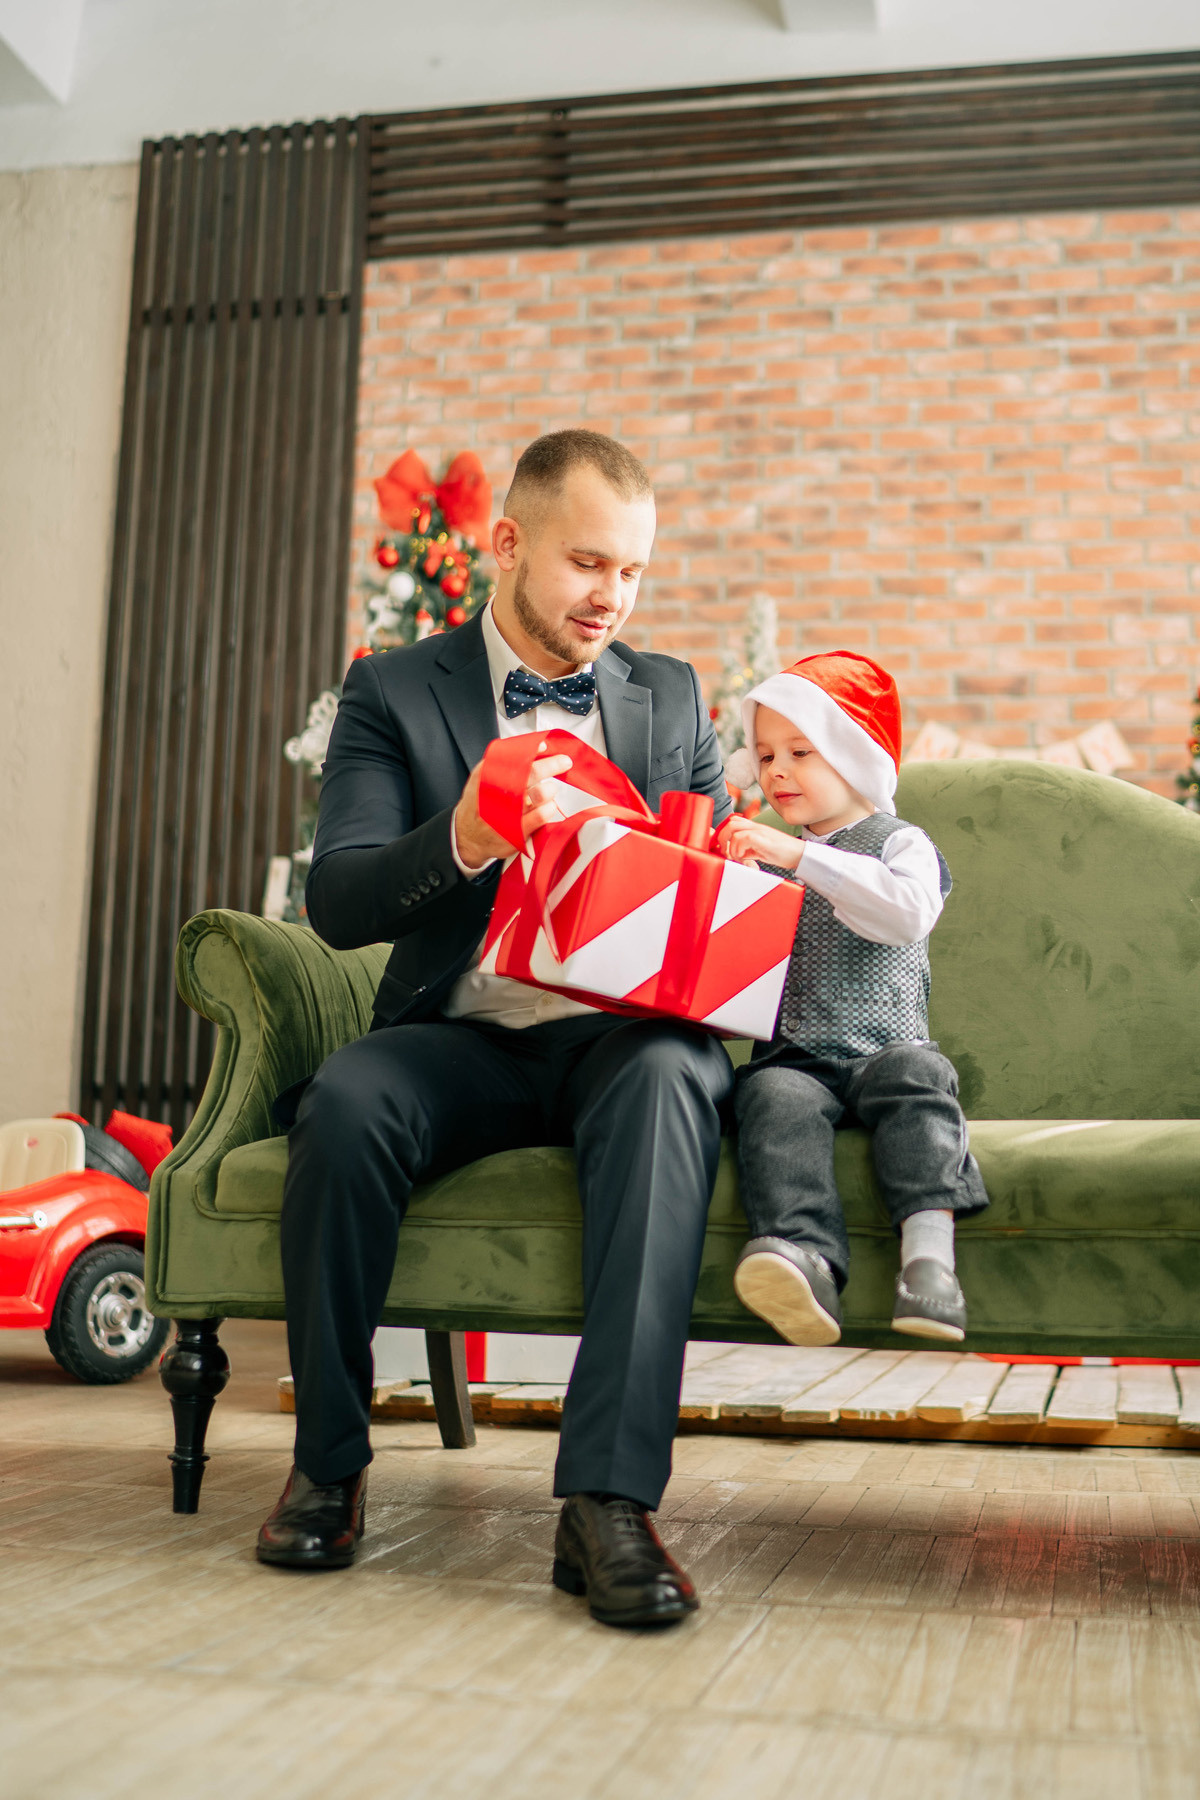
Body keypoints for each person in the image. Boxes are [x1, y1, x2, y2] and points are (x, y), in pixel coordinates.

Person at [256, 429, 735, 1630]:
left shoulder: (668, 694)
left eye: (631, 574)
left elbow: (718, 878)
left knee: (678, 1072)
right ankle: (329, 1464)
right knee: (350, 1099)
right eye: (588, 565)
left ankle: (609, 1505)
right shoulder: (394, 692)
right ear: (507, 543)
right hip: (458, 1037)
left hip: (621, 1039)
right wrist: (466, 829)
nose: (611, 600)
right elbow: (341, 896)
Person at [720, 651, 988, 1348]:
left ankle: (929, 1264)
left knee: (921, 1079)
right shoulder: (771, 853)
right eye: (767, 754)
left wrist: (800, 860)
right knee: (769, 1095)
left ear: (853, 754)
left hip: (885, 1049)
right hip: (798, 1057)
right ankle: (803, 1262)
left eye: (801, 752)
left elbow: (904, 913)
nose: (777, 771)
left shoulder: (902, 843)